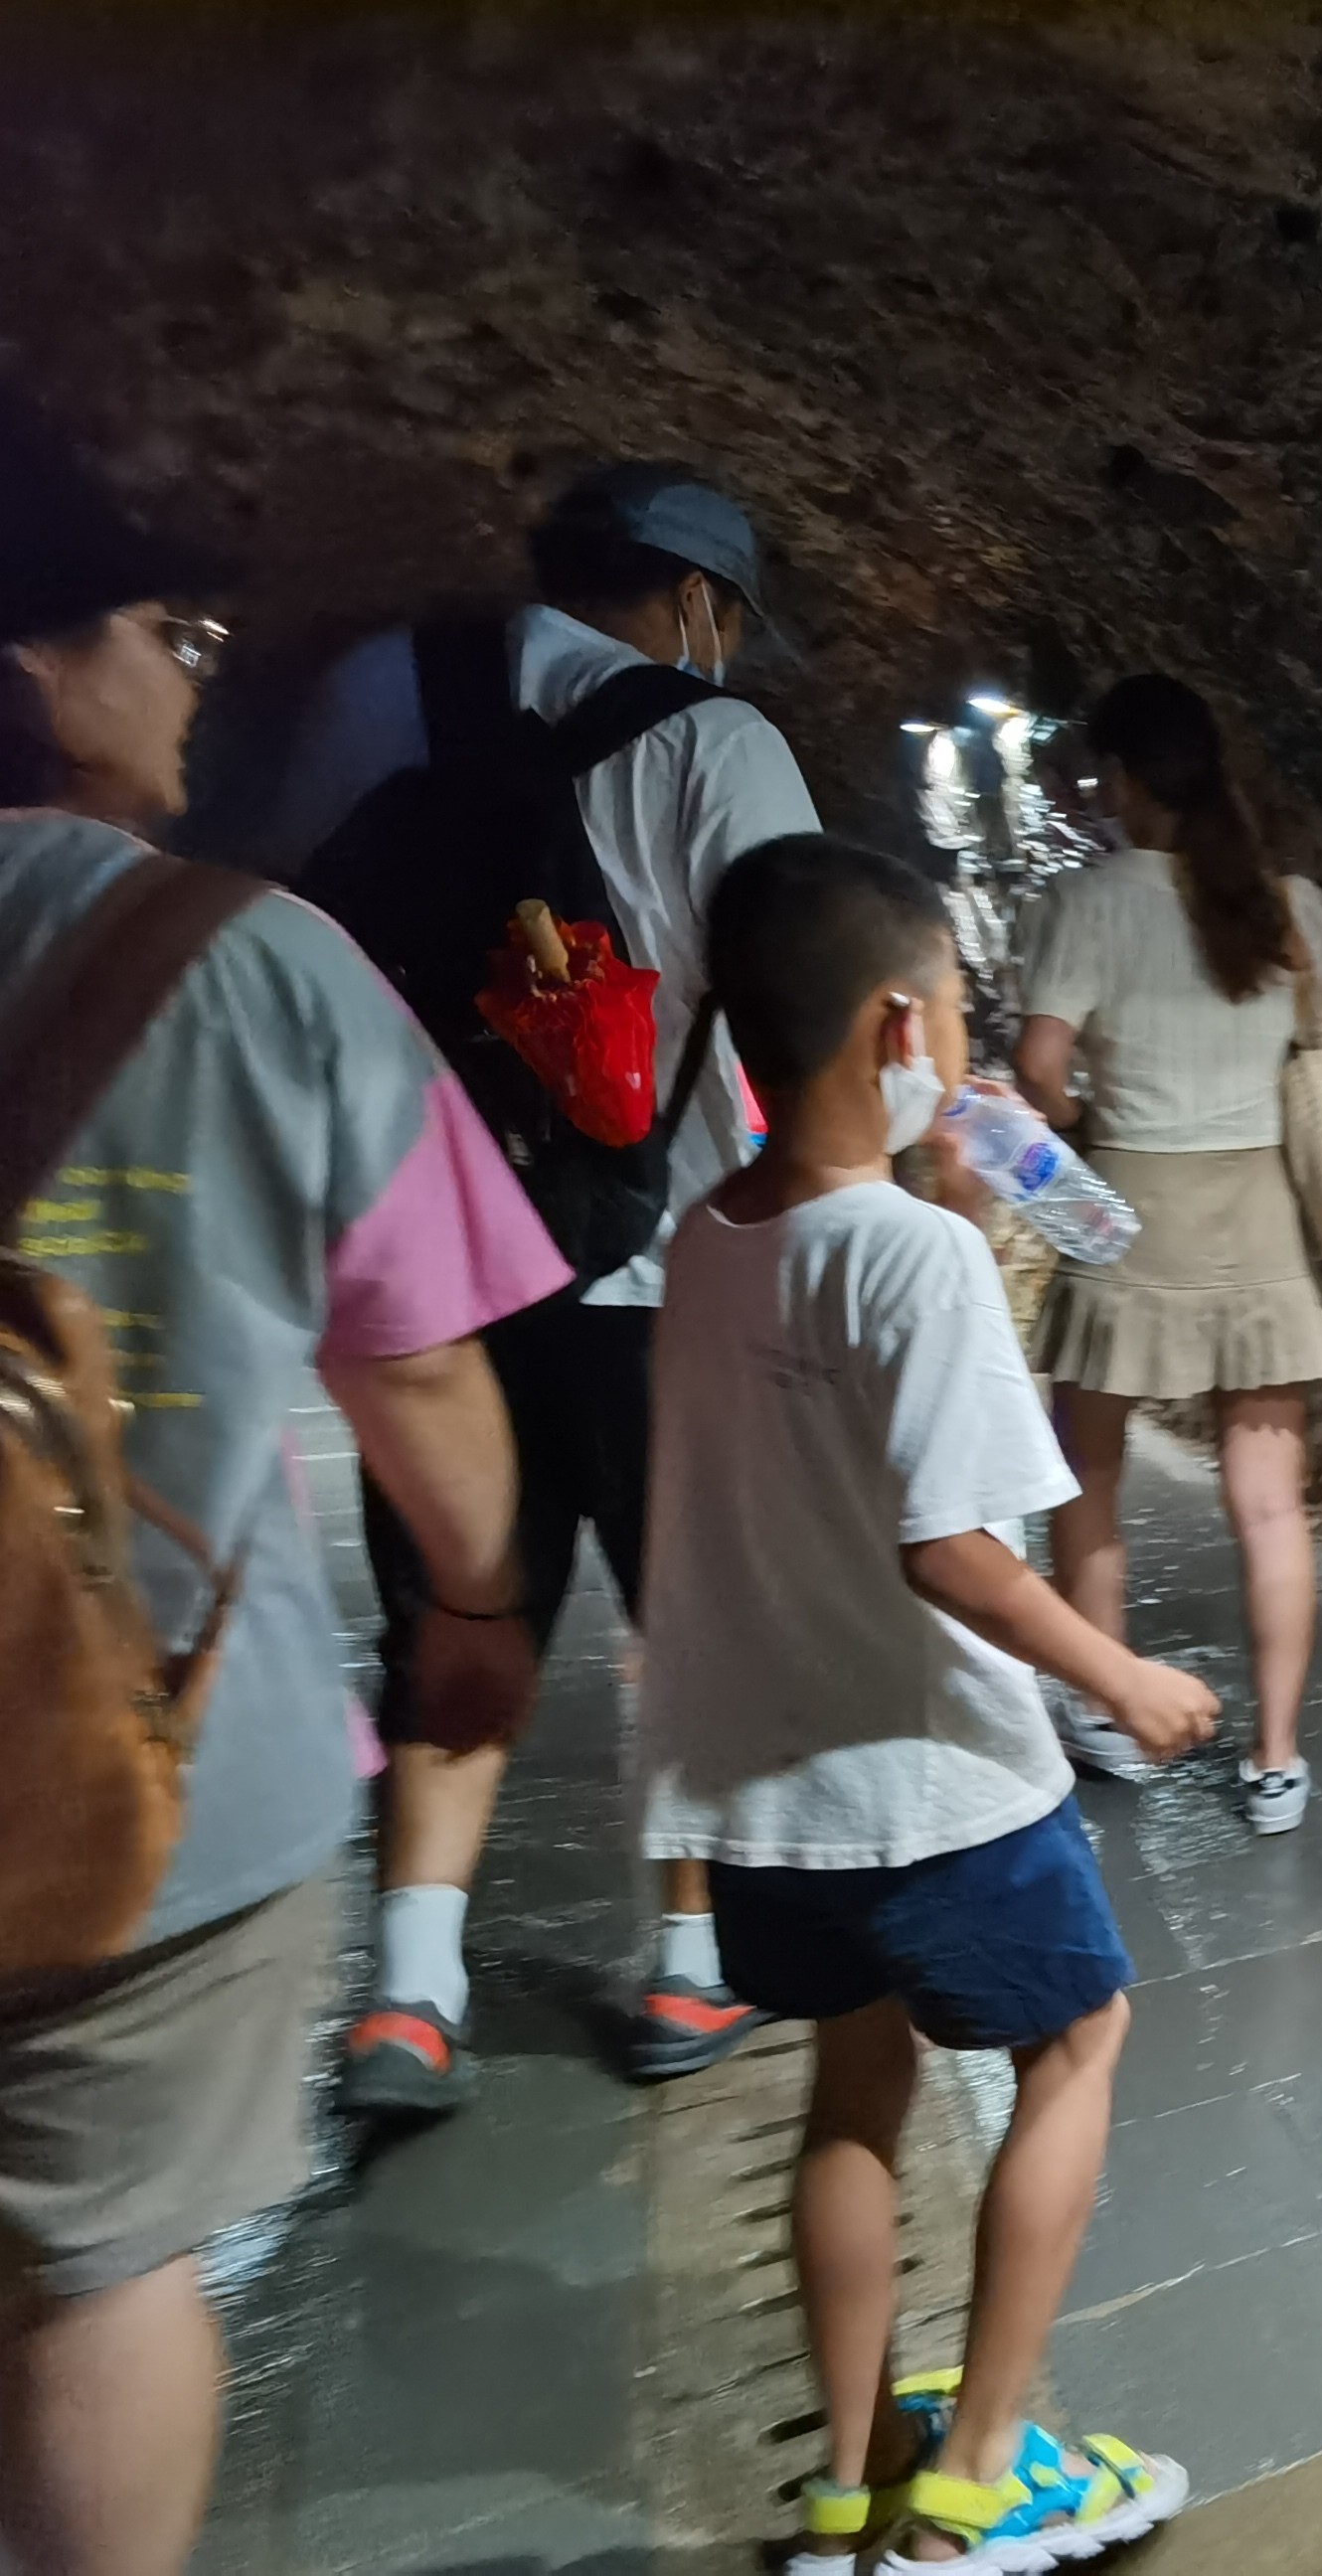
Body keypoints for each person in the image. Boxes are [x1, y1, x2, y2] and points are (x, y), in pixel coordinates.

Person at [0, 387, 560, 2576]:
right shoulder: (251, 961)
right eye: (158, 625)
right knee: (111, 2258)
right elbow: (415, 1372)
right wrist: (484, 1606)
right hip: (137, 1762)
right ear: (36, 669)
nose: (190, 671)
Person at [640, 833, 1209, 2573]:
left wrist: (956, 1207)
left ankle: (845, 2488)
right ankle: (978, 2481)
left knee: (851, 2089)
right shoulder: (920, 1259)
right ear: (900, 1024)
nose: (965, 1043)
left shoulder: (709, 1231)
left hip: (760, 1789)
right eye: (958, 1008)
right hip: (938, 1779)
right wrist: (1123, 1673)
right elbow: (950, 1545)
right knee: (1081, 2039)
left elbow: (828, 1412)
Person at [271, 461, 824, 2106]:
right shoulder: (716, 737)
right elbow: (797, 989)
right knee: (691, 1631)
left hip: (433, 1271)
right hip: (662, 1265)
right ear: (700, 601)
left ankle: (409, 1996)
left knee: (460, 1608)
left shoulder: (375, 696)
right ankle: (690, 1969)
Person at [1012, 675, 1322, 1836]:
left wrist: (1075, 1113)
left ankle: (1108, 1709)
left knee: (1091, 1472)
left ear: (1120, 780)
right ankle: (1274, 1761)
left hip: (1128, 1205)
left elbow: (1039, 1073)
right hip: (1258, 1205)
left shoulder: (1090, 902)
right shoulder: (1286, 905)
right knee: (1269, 1503)